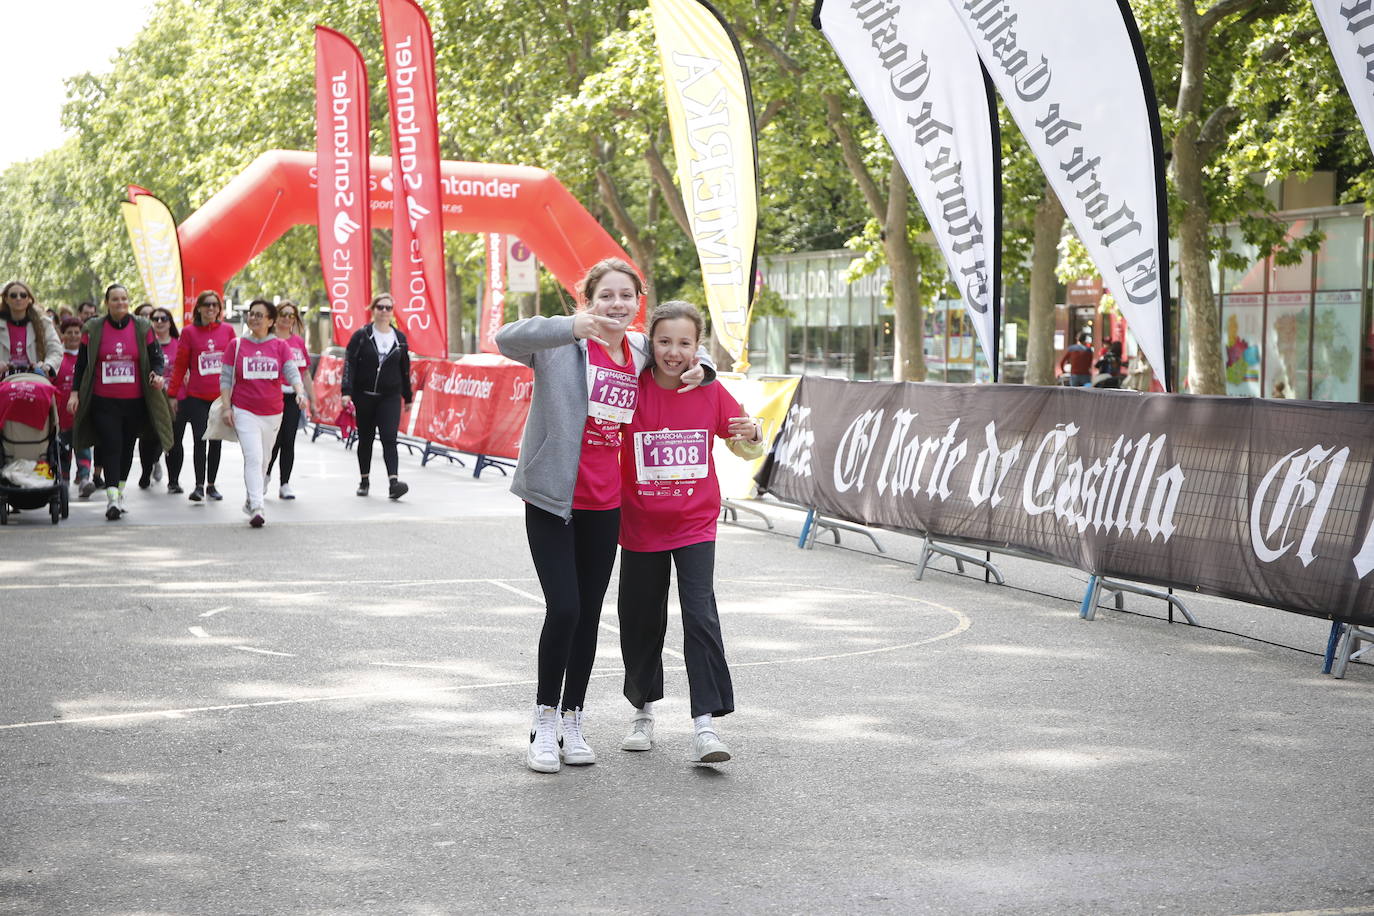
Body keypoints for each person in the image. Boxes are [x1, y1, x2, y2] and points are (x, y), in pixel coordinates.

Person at [495, 257, 712, 775]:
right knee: (565, 609)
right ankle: (543, 719)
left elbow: (680, 359)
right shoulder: (561, 345)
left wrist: (706, 371)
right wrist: (570, 326)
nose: (617, 304)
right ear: (588, 299)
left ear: (639, 303)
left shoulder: (639, 351)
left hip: (606, 503)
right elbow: (505, 339)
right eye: (606, 295)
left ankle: (574, 718)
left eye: (626, 296)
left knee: (590, 617)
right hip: (552, 498)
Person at [615, 300, 764, 765]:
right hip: (639, 523)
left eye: (684, 343)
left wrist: (754, 433)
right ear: (650, 343)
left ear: (698, 346)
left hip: (695, 523)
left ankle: (705, 726)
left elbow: (742, 443)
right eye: (664, 342)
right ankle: (642, 711)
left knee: (700, 617)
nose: (673, 352)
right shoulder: (631, 387)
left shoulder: (709, 390)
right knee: (641, 620)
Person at [67, 283, 173, 520]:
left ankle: (119, 491)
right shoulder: (93, 328)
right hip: (103, 401)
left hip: (135, 401)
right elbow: (82, 365)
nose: (120, 303)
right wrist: (75, 393)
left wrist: (157, 375)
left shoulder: (142, 326)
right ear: (107, 303)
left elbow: (157, 358)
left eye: (124, 299)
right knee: (111, 445)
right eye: (115, 299)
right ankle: (112, 499)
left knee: (127, 447)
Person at [220, 299, 309, 528]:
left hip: (272, 411)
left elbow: (292, 372)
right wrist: (227, 407)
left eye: (260, 315)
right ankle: (258, 507)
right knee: (254, 456)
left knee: (264, 460)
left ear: (270, 321)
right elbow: (226, 379)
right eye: (252, 314)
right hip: (244, 409)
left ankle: (252, 497)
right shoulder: (236, 345)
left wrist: (300, 393)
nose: (254, 318)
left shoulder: (280, 346)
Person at [341, 295, 412, 500]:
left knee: (390, 437)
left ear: (392, 311)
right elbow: (349, 364)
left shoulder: (399, 339)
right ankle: (364, 480)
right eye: (380, 307)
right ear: (373, 309)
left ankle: (393, 482)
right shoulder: (361, 336)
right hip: (364, 395)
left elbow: (405, 369)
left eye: (388, 307)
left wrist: (407, 397)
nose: (384, 311)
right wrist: (346, 391)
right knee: (366, 439)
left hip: (389, 395)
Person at [167, 290, 236, 502]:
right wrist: (172, 394)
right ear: (199, 308)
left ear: (219, 309)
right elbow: (179, 365)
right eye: (207, 305)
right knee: (200, 439)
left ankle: (211, 485)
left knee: (216, 440)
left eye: (215, 305)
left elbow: (236, 364)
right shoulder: (189, 333)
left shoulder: (228, 331)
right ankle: (198, 485)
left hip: (220, 397)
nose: (211, 308)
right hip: (196, 396)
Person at [266, 300, 316, 499]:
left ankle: (285, 483)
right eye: (283, 314)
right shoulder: (268, 340)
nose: (287, 318)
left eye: (291, 315)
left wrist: (313, 398)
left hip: (294, 396)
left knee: (289, 439)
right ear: (275, 317)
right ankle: (265, 475)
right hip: (272, 396)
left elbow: (305, 373)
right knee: (274, 440)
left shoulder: (298, 342)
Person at [137, 307, 181, 489]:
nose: (160, 322)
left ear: (170, 322)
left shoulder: (178, 344)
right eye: (155, 319)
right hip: (151, 400)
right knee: (149, 439)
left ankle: (173, 481)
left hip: (174, 398)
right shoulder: (144, 344)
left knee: (174, 440)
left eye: (164, 318)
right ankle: (146, 471)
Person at [0, 281, 62, 378]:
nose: (18, 298)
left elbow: (56, 350)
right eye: (13, 295)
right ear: (6, 299)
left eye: (23, 295)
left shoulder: (43, 324)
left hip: (35, 381)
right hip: (3, 382)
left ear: (29, 299)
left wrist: (48, 365)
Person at [53, 317, 85, 487]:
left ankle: (84, 479)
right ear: (62, 335)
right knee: (63, 451)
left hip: (82, 417)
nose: (73, 336)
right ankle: (63, 483)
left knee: (83, 449)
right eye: (69, 332)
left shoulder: (87, 357)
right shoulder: (57, 359)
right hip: (61, 418)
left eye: (77, 332)